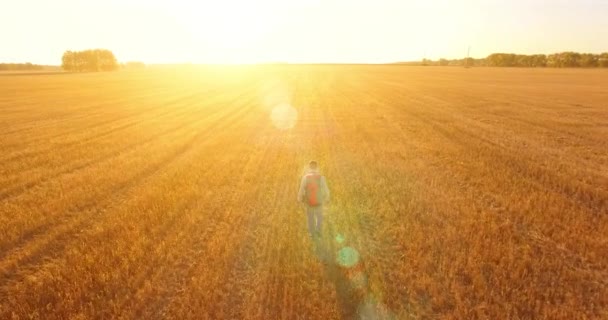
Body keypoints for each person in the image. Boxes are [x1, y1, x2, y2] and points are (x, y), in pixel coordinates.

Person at [297, 161, 330, 238]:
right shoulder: (321, 177)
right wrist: (327, 198)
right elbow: (326, 189)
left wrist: (299, 199)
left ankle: (312, 233)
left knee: (310, 217)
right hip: (319, 201)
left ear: (309, 167)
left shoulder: (305, 177)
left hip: (309, 202)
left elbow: (301, 189)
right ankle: (318, 231)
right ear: (317, 167)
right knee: (319, 217)